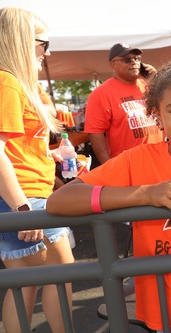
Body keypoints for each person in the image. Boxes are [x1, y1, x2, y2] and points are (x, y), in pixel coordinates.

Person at [46, 60, 171, 333]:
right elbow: (59, 200)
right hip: (168, 310)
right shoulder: (136, 160)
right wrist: (146, 194)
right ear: (156, 114)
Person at [0, 7, 75, 332]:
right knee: (63, 275)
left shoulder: (13, 82)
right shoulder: (7, 81)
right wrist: (22, 207)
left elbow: (16, 148)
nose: (48, 51)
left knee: (23, 284)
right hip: (23, 198)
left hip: (20, 196)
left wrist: (53, 156)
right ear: (21, 41)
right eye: (43, 43)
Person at [84, 43, 163, 165]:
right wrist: (109, 167)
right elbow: (95, 134)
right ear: (113, 65)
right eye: (127, 60)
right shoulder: (101, 93)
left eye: (137, 59)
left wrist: (158, 80)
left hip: (159, 160)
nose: (134, 62)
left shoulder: (150, 86)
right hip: (128, 166)